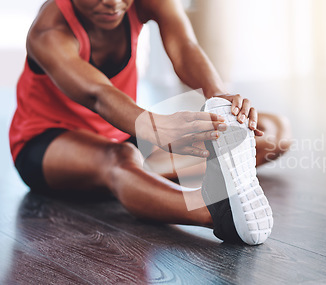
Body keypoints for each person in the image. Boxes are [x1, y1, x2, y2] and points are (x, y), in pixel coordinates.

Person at [9, 0, 291, 239]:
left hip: (119, 129)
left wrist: (220, 100)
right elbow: (98, 94)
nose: (113, 2)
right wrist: (155, 127)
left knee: (270, 132)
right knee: (118, 157)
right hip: (46, 144)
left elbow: (183, 46)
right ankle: (216, 213)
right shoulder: (48, 32)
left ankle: (143, 185)